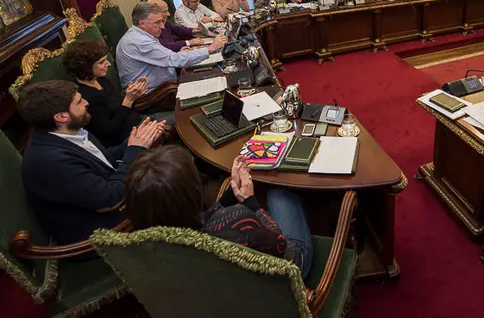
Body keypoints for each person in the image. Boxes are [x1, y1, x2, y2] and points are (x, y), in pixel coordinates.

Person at [125, 146, 314, 279]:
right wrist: (253, 204)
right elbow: (288, 251)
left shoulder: (146, 244)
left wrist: (231, 194)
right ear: (192, 193)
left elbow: (197, 222)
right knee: (281, 192)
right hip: (292, 267)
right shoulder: (240, 223)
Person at [17, 80, 164, 245]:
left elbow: (103, 160)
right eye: (79, 101)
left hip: (108, 203)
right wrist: (136, 150)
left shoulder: (69, 130)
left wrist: (134, 142)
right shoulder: (50, 161)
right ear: (61, 116)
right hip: (100, 232)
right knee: (171, 184)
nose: (87, 102)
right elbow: (110, 200)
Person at [116, 2, 227, 92]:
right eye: (158, 22)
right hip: (156, 93)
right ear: (142, 23)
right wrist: (210, 48)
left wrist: (179, 54)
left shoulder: (141, 35)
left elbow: (165, 57)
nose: (162, 26)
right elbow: (172, 60)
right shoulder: (139, 41)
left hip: (167, 83)